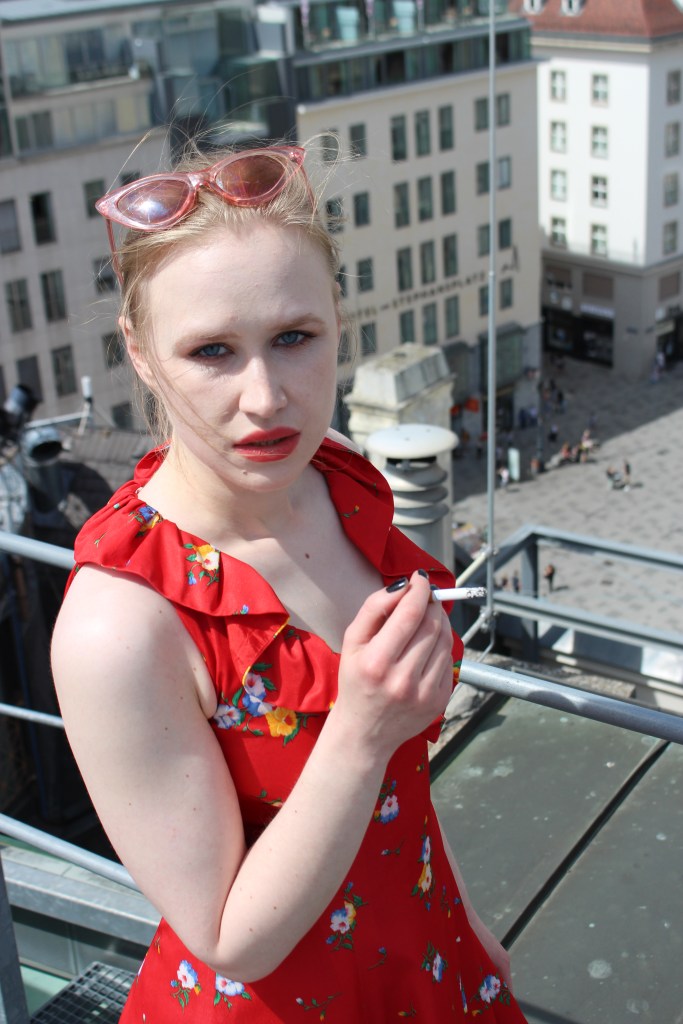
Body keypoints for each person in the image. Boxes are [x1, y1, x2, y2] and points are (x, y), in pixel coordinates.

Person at [50, 141, 529, 1022]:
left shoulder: (330, 476)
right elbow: (228, 938)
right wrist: (359, 730)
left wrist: (465, 920)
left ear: (338, 320)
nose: (266, 398)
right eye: (212, 351)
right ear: (142, 354)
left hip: (425, 959)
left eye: (293, 338)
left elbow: (400, 783)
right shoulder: (120, 624)